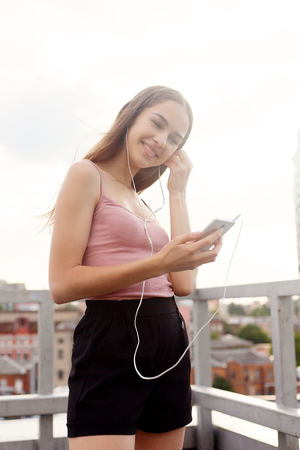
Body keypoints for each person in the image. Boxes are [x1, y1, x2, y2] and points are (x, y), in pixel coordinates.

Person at [48, 86, 223, 450]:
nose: (161, 141)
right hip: (112, 339)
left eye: (174, 138)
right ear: (131, 115)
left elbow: (184, 284)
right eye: (157, 124)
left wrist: (177, 191)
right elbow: (62, 284)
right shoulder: (86, 175)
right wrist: (158, 262)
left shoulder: (142, 203)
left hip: (169, 338)